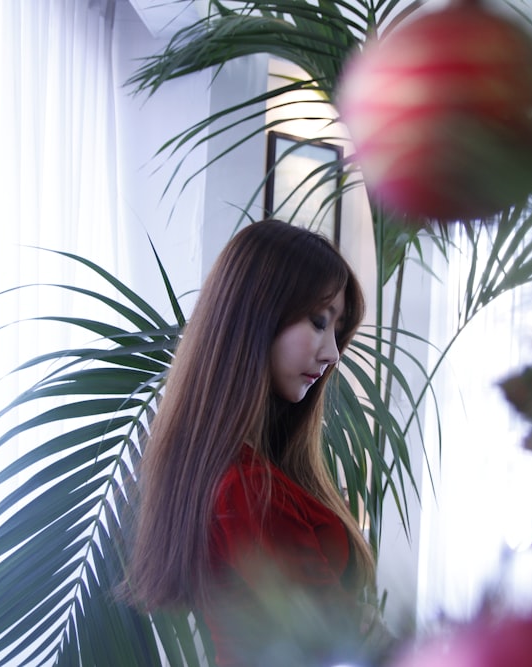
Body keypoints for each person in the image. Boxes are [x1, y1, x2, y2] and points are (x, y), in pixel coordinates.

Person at [127, 220, 389, 667]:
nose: (333, 353)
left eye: (336, 330)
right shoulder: (246, 487)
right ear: (257, 316)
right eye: (318, 321)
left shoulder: (243, 473)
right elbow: (337, 643)